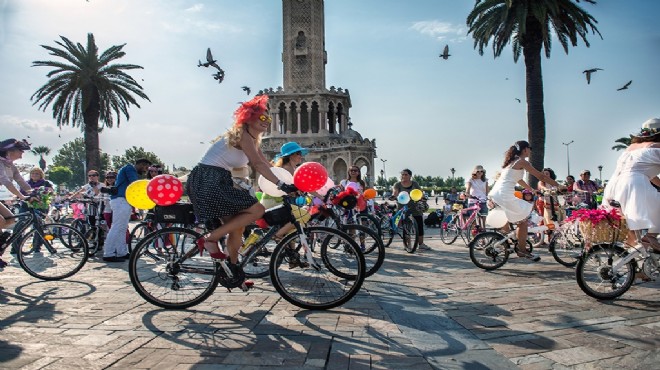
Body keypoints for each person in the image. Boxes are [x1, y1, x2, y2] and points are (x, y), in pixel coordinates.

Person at [187, 95, 296, 289]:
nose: (266, 122)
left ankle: (233, 272)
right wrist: (281, 184)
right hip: (208, 179)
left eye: (268, 119)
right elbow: (256, 164)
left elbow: (264, 163)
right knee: (257, 210)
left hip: (217, 180)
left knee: (237, 227)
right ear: (249, 117)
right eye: (262, 118)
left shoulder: (252, 140)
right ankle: (210, 239)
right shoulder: (243, 135)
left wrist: (289, 183)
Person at [489, 140, 561, 261]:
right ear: (525, 149)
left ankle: (515, 239)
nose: (530, 151)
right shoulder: (522, 162)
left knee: (521, 218)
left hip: (497, 193)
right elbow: (541, 176)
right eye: (529, 148)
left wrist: (532, 190)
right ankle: (522, 250)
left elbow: (518, 180)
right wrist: (558, 186)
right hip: (505, 195)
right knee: (522, 222)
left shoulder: (512, 162)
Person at [602, 118, 660, 253]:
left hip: (615, 186)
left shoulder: (631, 148)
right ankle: (649, 238)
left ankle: (634, 263)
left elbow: (648, 174)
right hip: (634, 186)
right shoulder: (656, 147)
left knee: (634, 226)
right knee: (653, 220)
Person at [103, 158, 152, 262]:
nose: (146, 170)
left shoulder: (128, 169)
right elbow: (135, 184)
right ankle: (108, 253)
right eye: (146, 167)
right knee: (117, 227)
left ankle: (122, 252)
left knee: (122, 228)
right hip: (121, 200)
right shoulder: (130, 169)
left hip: (122, 201)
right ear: (141, 164)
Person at [260, 141, 309, 242]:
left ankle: (291, 254)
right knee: (303, 215)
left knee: (293, 228)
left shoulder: (290, 168)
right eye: (298, 153)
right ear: (290, 155)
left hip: (274, 201)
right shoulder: (288, 169)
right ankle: (278, 235)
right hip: (275, 202)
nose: (301, 156)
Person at [0, 139, 32, 267]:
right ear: (10, 151)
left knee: (11, 219)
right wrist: (22, 196)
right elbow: (6, 181)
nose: (22, 154)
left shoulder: (10, 165)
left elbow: (20, 180)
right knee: (1, 221)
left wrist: (35, 193)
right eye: (20, 151)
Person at [391, 168, 429, 250]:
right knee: (406, 226)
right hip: (403, 207)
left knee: (419, 225)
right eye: (402, 174)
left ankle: (421, 244)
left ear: (410, 176)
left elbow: (420, 192)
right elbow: (395, 192)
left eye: (406, 174)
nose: (403, 176)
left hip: (415, 207)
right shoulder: (398, 184)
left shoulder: (414, 183)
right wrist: (394, 196)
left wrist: (423, 198)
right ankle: (407, 244)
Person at [465, 165, 489, 230]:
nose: (480, 173)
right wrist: (467, 194)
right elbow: (467, 189)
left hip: (483, 201)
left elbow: (487, 191)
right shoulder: (471, 180)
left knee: (483, 220)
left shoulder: (485, 180)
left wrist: (489, 198)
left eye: (481, 171)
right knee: (474, 221)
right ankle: (474, 237)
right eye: (478, 171)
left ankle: (483, 236)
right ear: (475, 172)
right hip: (473, 201)